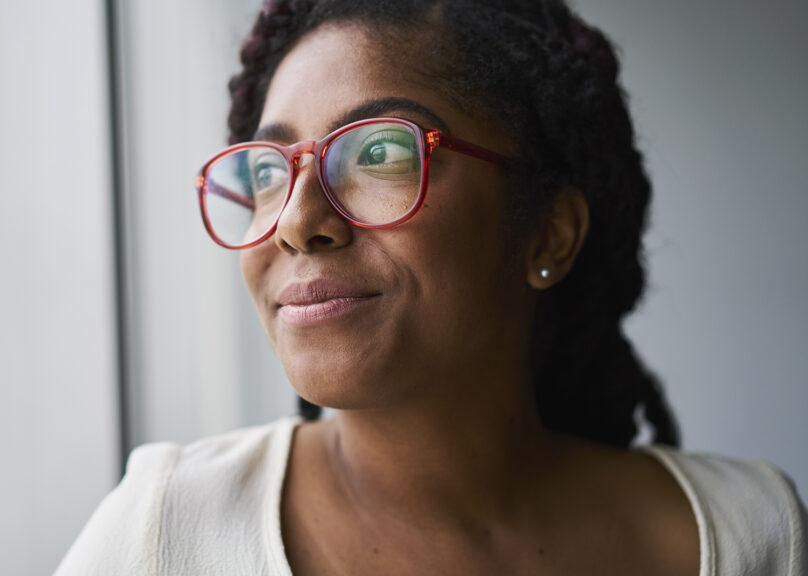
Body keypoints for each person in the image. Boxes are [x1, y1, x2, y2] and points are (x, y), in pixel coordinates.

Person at [55, 0, 807, 574]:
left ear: (549, 232)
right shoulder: (167, 532)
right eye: (265, 172)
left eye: (379, 152)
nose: (294, 222)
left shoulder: (752, 532)